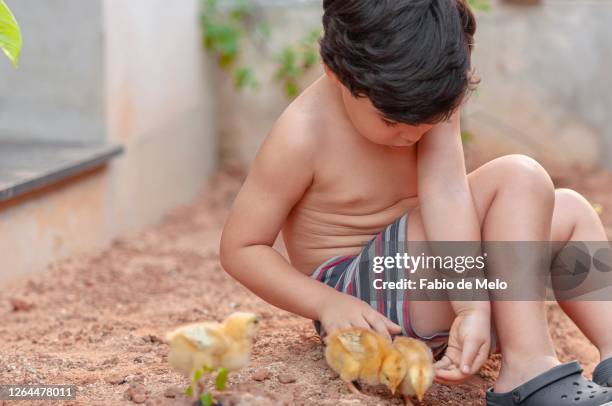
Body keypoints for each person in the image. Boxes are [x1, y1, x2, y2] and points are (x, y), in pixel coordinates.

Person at [220, 1, 612, 404]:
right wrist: (327, 303)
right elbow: (241, 248)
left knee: (571, 210)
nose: (410, 136)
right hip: (367, 303)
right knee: (519, 177)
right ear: (336, 73)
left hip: (440, 285)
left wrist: (471, 306)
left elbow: (447, 192)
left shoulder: (429, 93)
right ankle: (528, 368)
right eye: (391, 122)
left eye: (427, 122)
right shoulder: (302, 134)